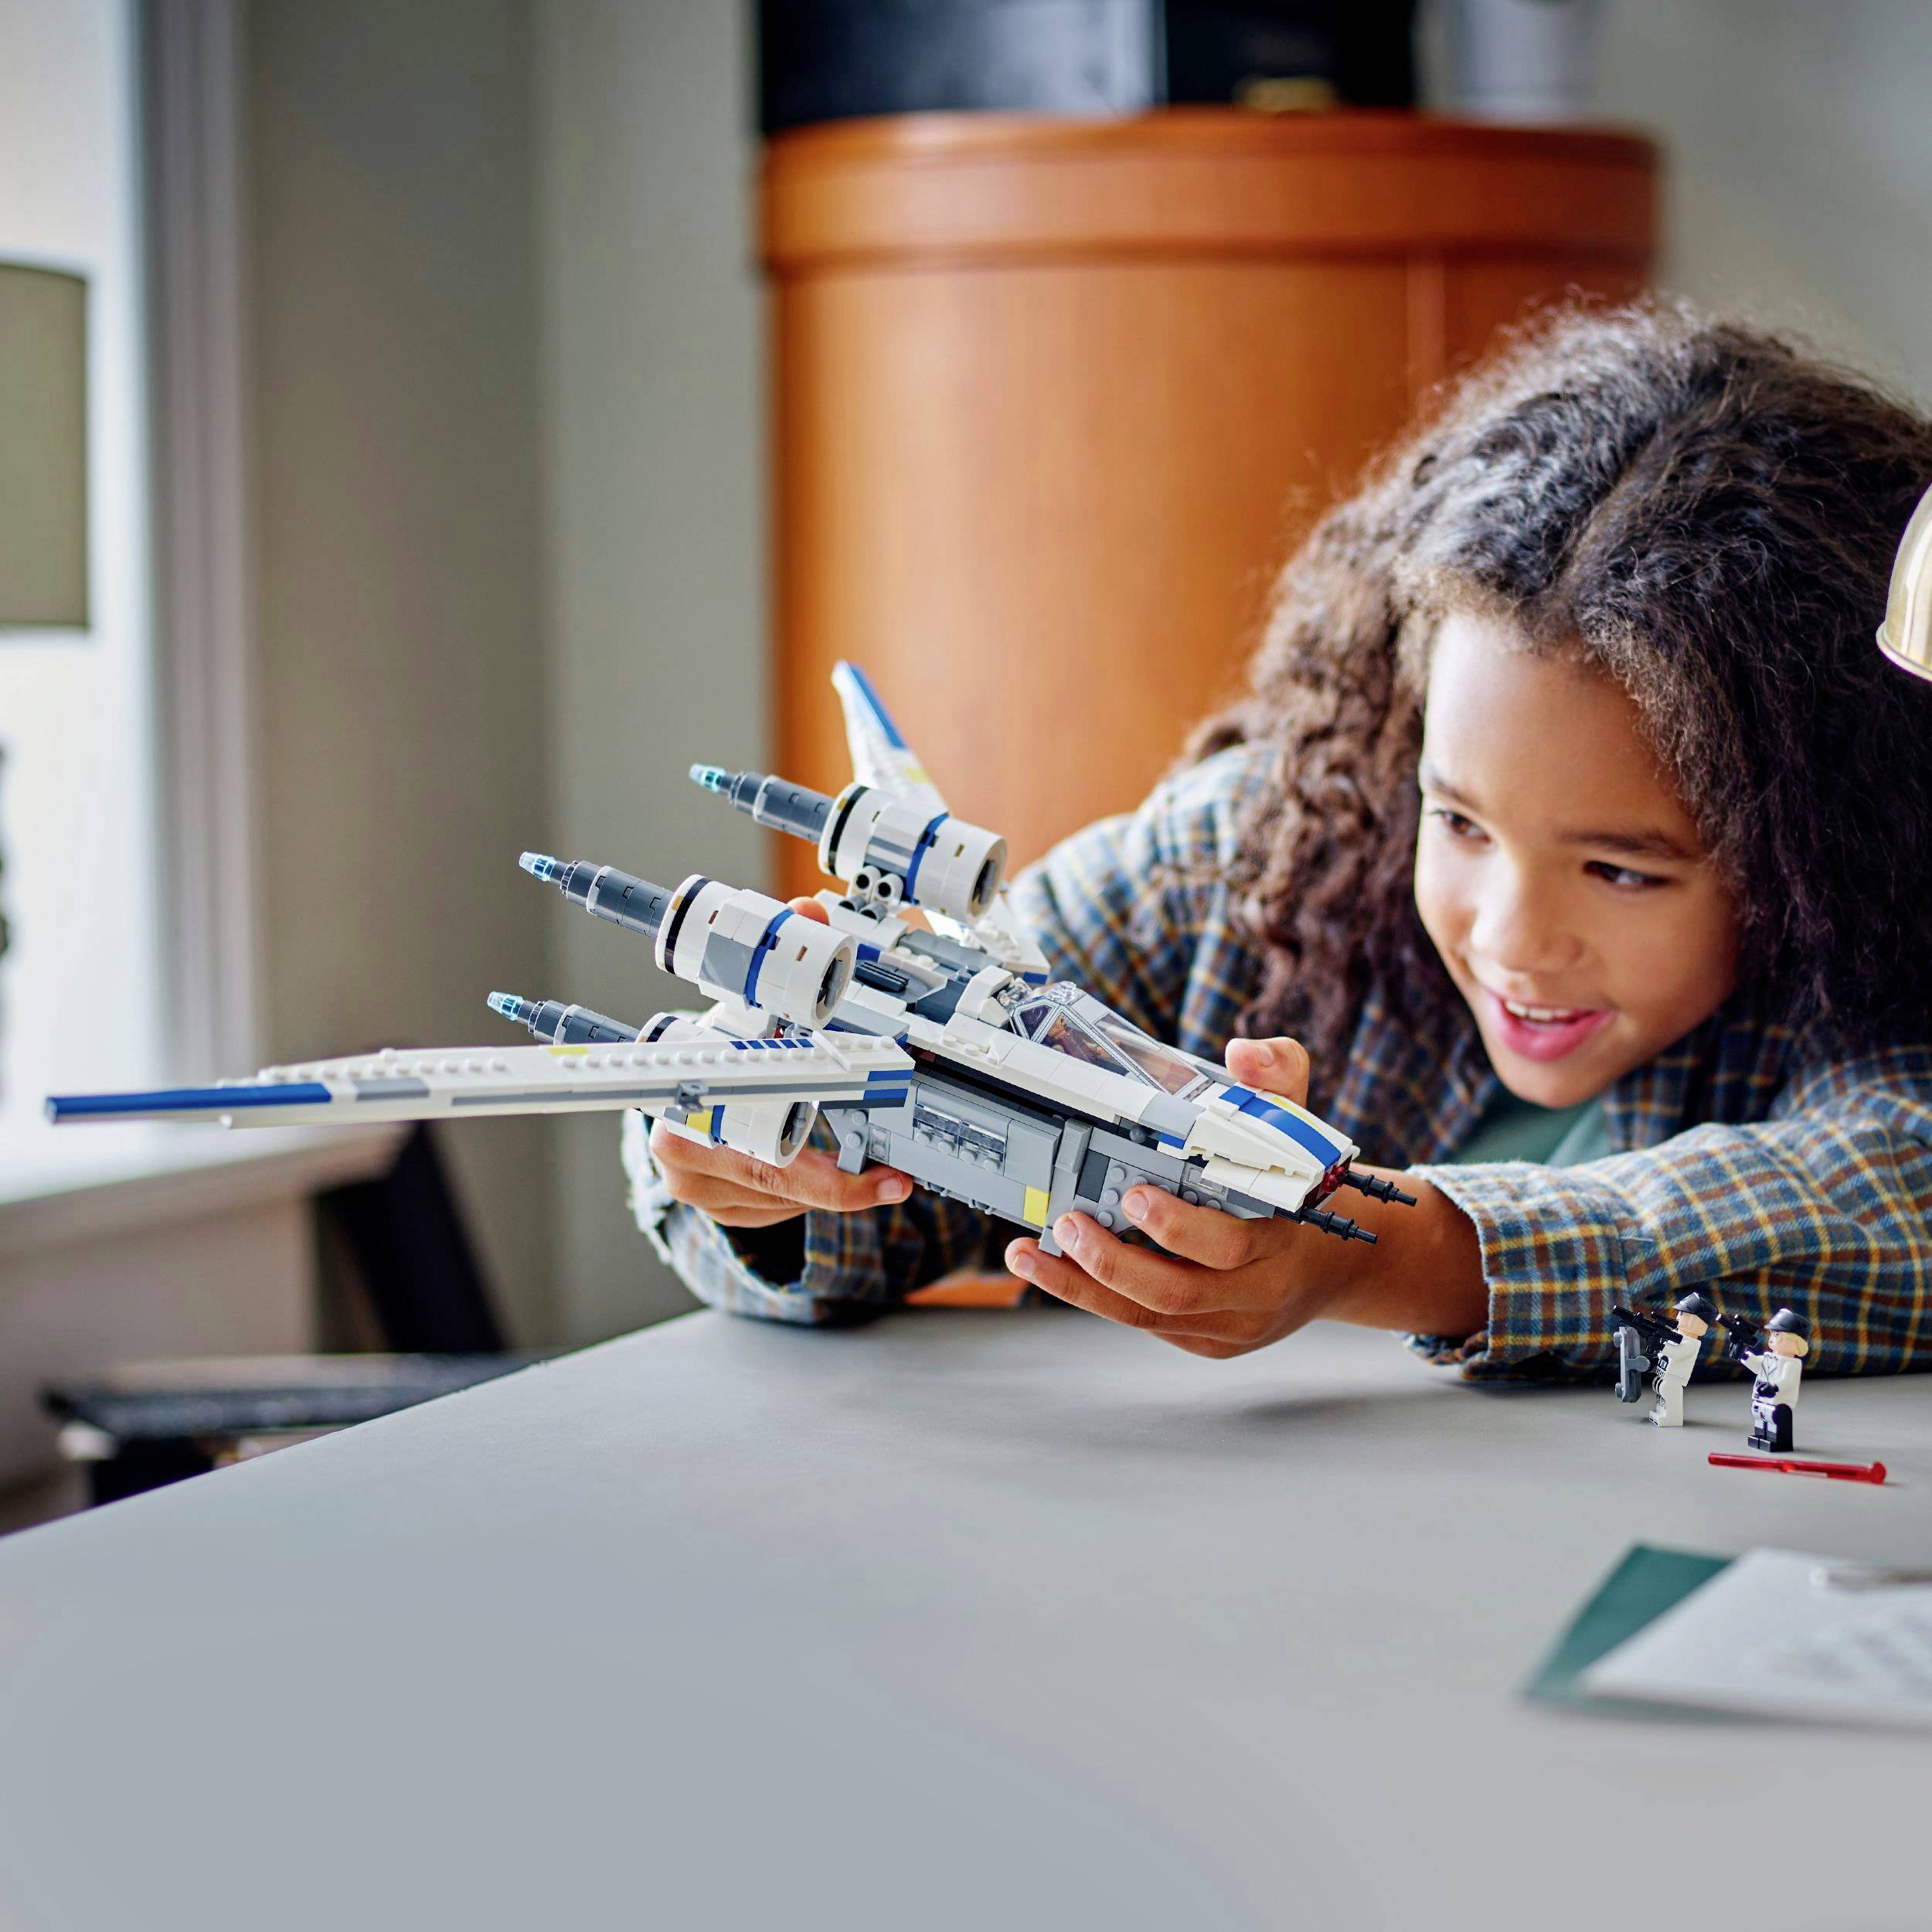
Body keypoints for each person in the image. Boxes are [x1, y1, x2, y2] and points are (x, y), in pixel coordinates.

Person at [626, 301, 1932, 1387]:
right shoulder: (1264, 855)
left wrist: (1389, 1256)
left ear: (1821, 839)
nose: (1512, 935)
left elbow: (1894, 1197)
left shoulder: (1860, 966)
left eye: (1623, 869)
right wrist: (765, 1161)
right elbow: (912, 1119)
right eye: (1458, 819)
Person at [1646, 1291, 1718, 1429]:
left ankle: (1671, 1416)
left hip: (1675, 1378)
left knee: (1667, 1390)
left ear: (1696, 1321)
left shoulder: (1691, 1343)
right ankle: (1662, 1412)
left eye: (1682, 1314)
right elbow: (1667, 1353)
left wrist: (1661, 1346)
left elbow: (1677, 1353)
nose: (1678, 1316)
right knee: (1659, 1388)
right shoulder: (1678, 1336)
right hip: (1665, 1373)